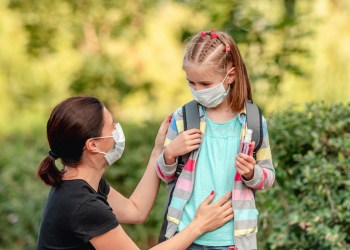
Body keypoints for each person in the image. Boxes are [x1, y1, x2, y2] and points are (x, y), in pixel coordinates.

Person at [36, 96, 234, 250]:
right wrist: (199, 225)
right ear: (93, 145)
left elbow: (135, 210)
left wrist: (158, 151)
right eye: (112, 125)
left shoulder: (80, 184)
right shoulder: (83, 204)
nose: (117, 130)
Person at [156, 30, 275, 250]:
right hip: (185, 236)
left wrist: (251, 173)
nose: (197, 90)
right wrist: (171, 153)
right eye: (191, 82)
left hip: (233, 241)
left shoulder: (253, 122)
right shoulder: (184, 118)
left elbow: (268, 178)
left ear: (230, 75)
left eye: (205, 84)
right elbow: (164, 175)